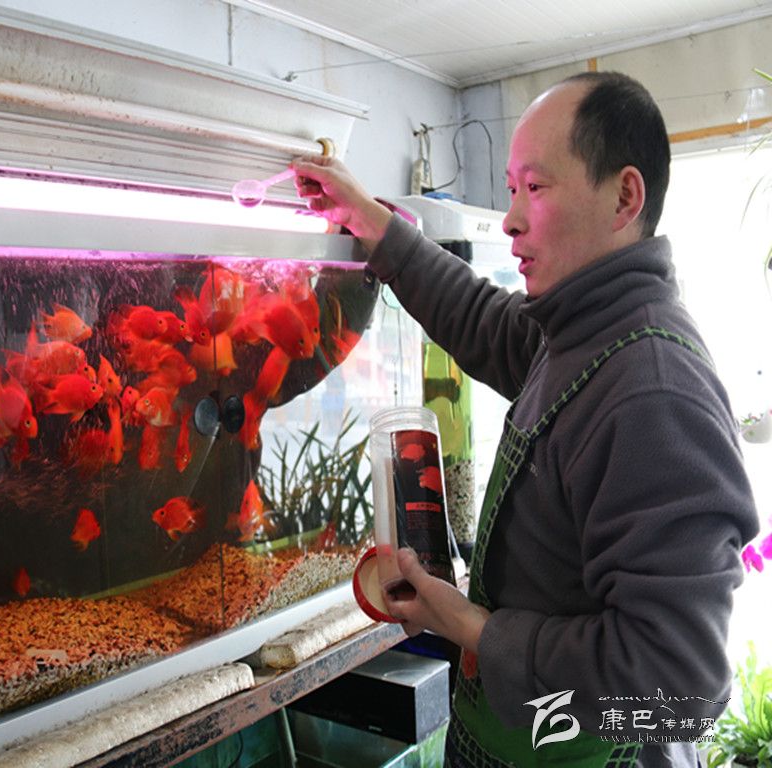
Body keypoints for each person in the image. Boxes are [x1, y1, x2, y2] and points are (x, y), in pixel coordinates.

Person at [293, 71, 760, 767]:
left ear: (624, 197)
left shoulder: (653, 392)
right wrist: (371, 222)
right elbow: (481, 319)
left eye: (535, 187)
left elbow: (684, 691)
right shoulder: (583, 330)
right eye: (512, 188)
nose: (510, 218)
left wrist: (475, 628)